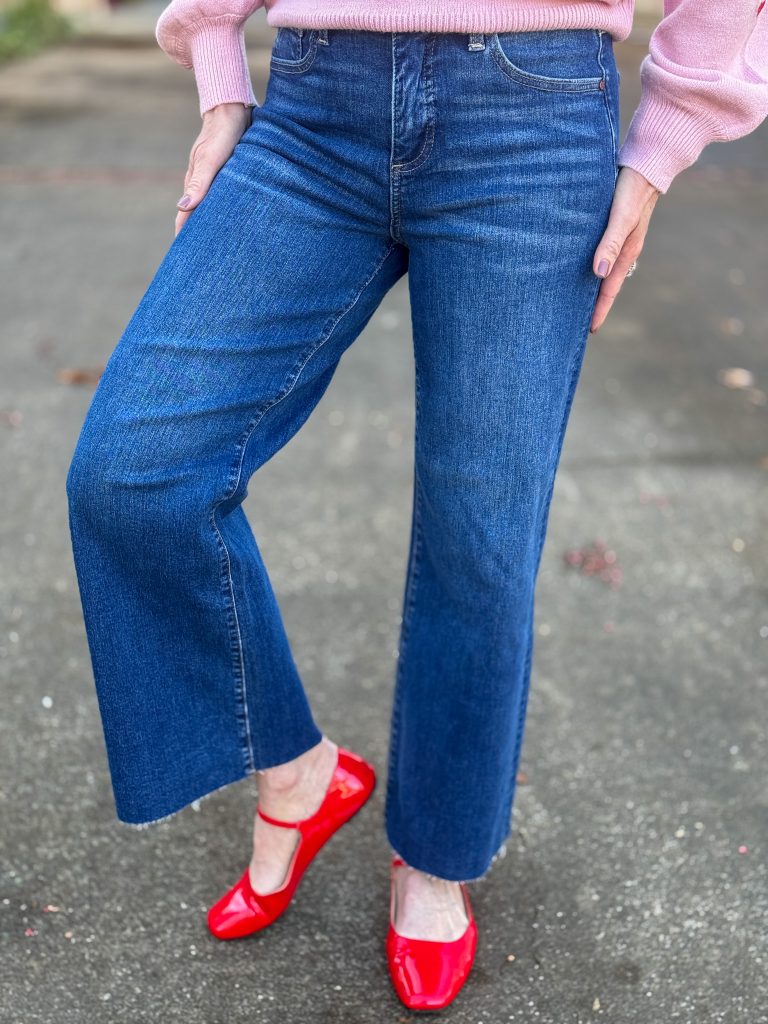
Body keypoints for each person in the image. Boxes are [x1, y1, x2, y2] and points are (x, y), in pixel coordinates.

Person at [65, 0, 767, 1011]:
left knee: (480, 539)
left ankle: (434, 858)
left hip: (534, 117)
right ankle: (301, 777)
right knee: (134, 468)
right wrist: (218, 59)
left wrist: (667, 136)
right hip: (315, 108)